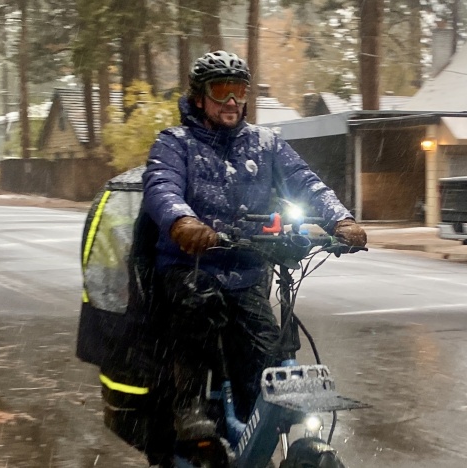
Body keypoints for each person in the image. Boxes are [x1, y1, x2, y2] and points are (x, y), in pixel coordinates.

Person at [142, 50, 367, 444]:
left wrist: (339, 218)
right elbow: (162, 186)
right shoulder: (175, 143)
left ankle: (255, 426)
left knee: (266, 342)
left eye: (239, 91)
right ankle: (188, 406)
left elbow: (304, 180)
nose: (231, 101)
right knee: (198, 306)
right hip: (190, 266)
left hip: (245, 271)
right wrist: (183, 221)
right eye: (221, 90)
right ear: (199, 97)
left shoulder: (265, 144)